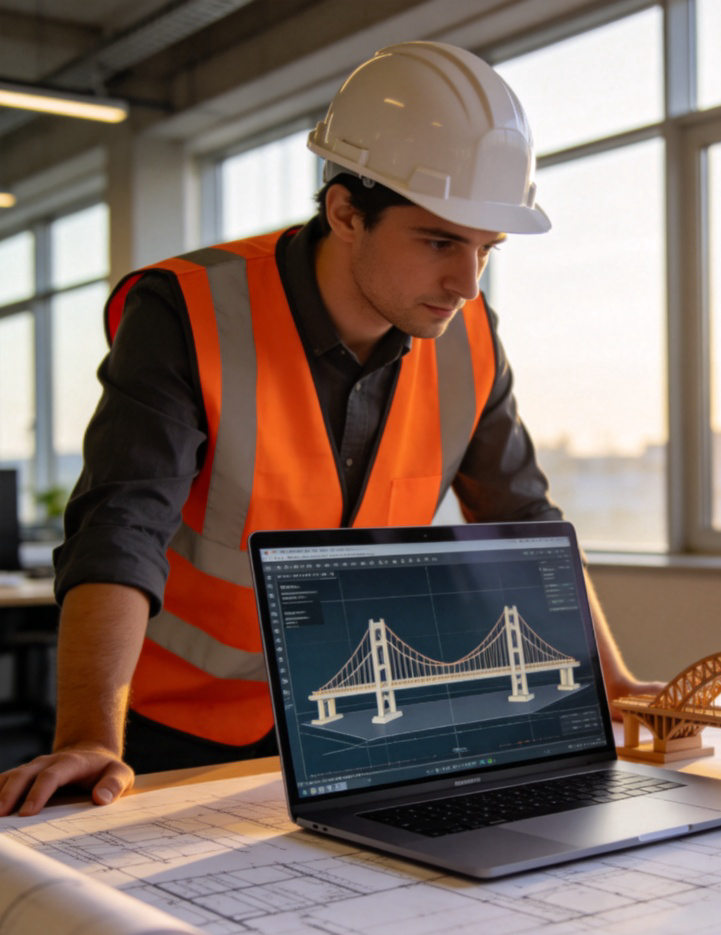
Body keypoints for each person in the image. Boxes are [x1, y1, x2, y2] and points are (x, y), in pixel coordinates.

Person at [0, 41, 657, 818]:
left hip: (358, 721)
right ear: (346, 211)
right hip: (179, 728)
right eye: (441, 240)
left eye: (486, 249)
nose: (465, 282)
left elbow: (524, 524)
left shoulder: (468, 339)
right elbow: (120, 525)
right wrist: (87, 736)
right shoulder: (190, 312)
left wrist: (610, 684)